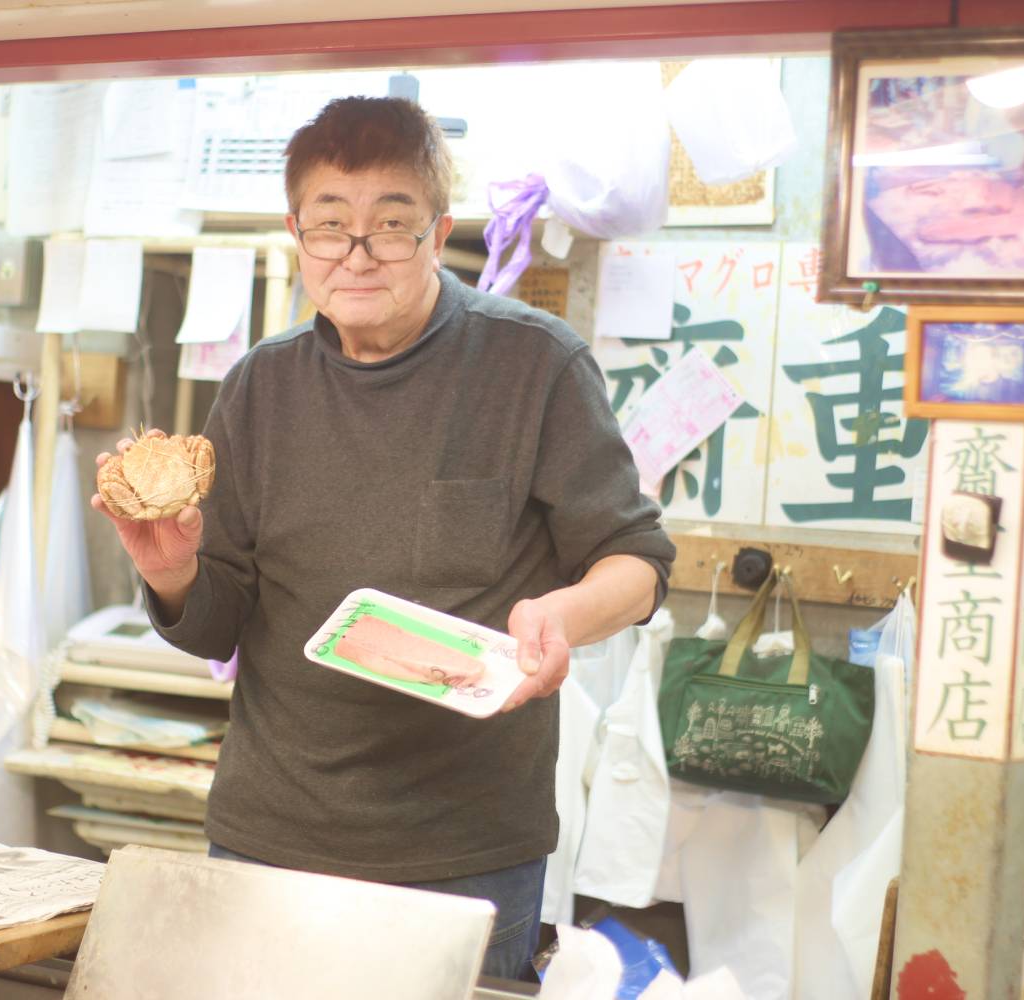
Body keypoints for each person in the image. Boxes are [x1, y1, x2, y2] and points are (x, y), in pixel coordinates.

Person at [92, 95, 674, 981]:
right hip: (268, 834)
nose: (357, 255)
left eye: (390, 226)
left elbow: (637, 560)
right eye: (331, 227)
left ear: (438, 231)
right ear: (298, 235)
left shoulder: (535, 365)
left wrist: (564, 615)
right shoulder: (260, 386)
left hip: (466, 847)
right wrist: (174, 576)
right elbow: (218, 622)